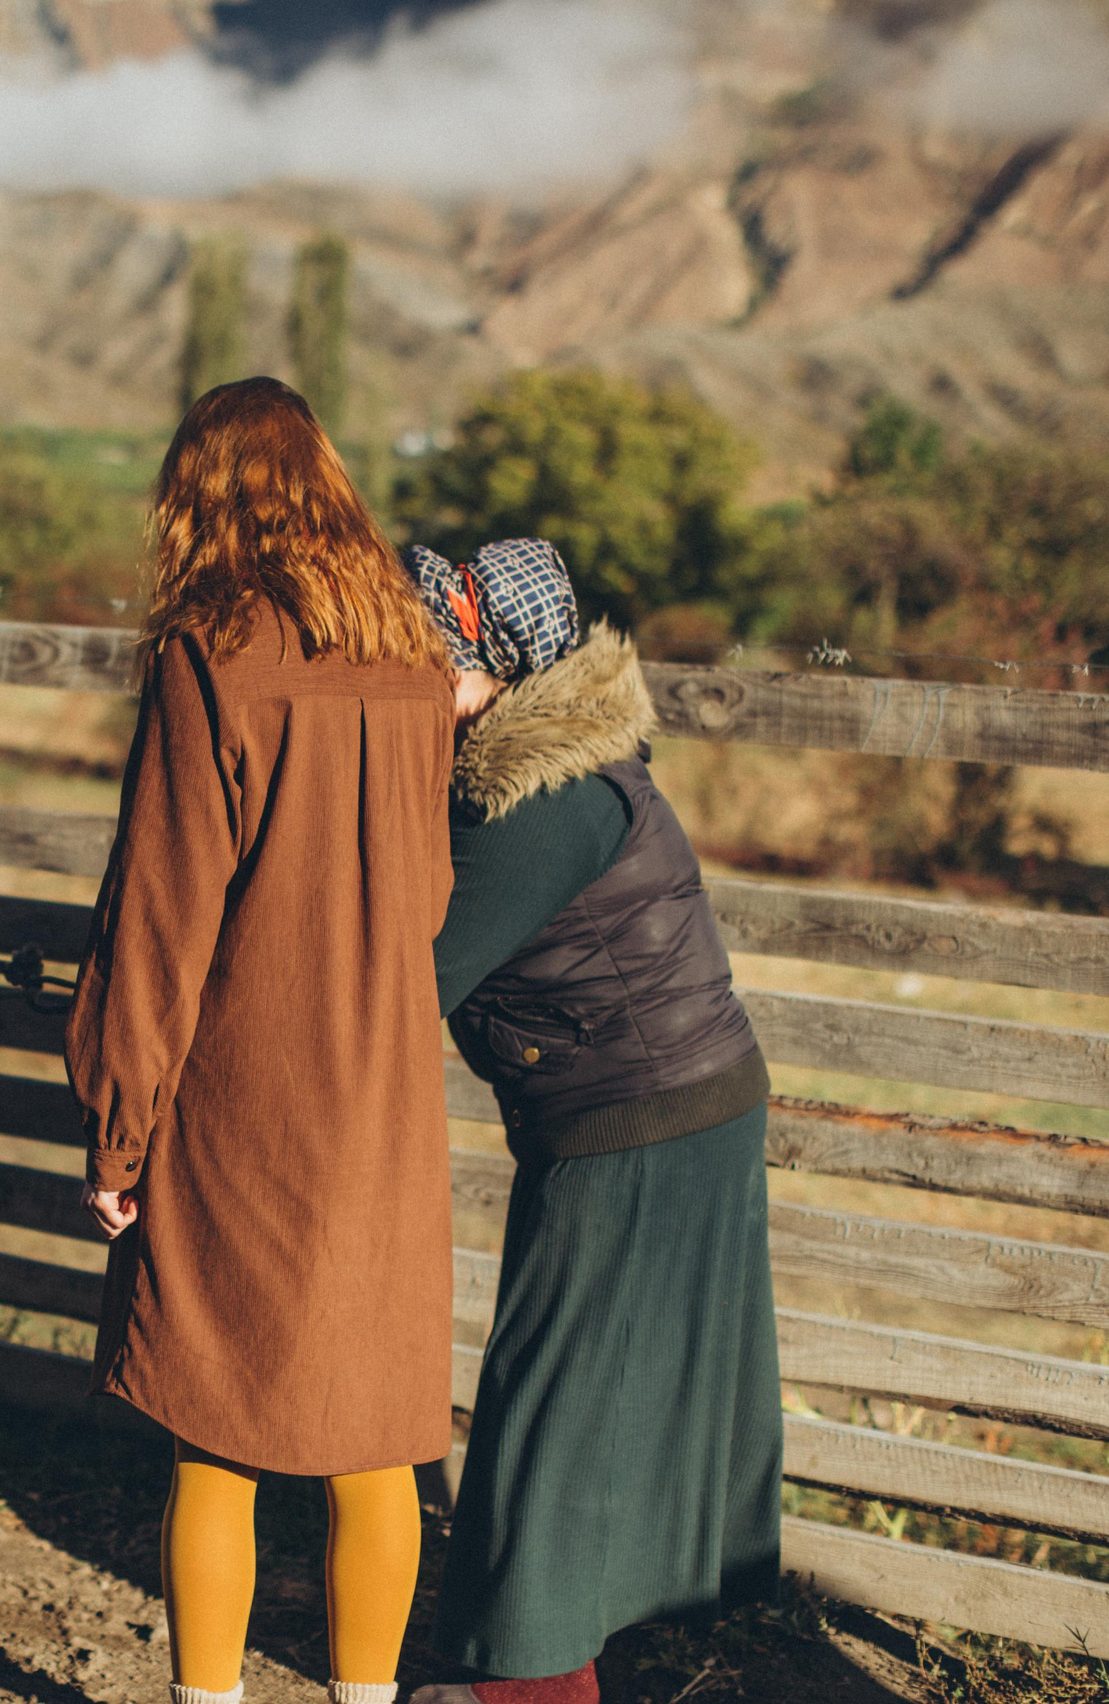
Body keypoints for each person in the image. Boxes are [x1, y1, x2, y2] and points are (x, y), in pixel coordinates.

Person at [67, 377, 458, 1704]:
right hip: (389, 1097)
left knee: (213, 1430)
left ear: (201, 493)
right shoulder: (409, 647)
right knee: (381, 1439)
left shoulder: (209, 646)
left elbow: (160, 913)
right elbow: (435, 891)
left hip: (240, 1098)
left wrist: (119, 1128)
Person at [401, 541, 781, 1704]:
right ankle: (561, 1647)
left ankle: (527, 1684)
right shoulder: (549, 773)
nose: (410, 683)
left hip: (635, 1117)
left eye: (432, 663)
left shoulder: (537, 808)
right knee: (593, 1392)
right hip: (663, 1106)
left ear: (495, 670)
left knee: (551, 1401)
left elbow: (412, 980)